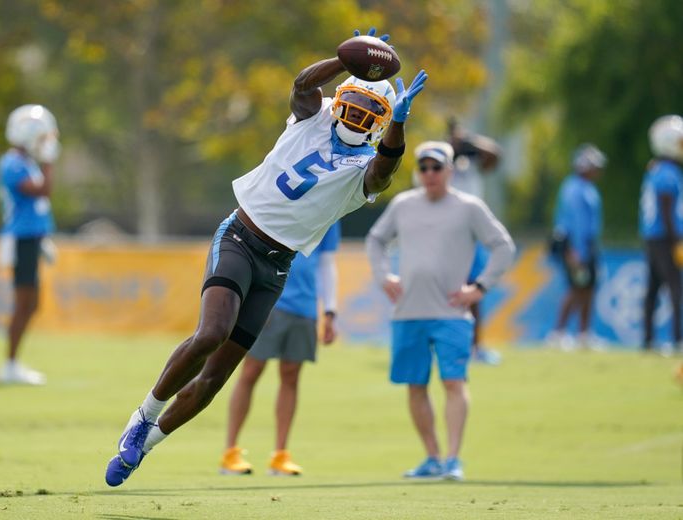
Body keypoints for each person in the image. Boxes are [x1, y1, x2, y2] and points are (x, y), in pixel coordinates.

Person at [104, 27, 429, 487]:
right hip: (240, 235)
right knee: (210, 333)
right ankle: (143, 415)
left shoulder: (364, 172)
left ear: (380, 122)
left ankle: (146, 445)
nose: (357, 116)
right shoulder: (310, 118)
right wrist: (345, 60)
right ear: (339, 101)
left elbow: (385, 170)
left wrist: (400, 121)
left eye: (370, 113)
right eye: (353, 104)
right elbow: (302, 85)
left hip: (277, 265)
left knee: (215, 379)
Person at [366, 141, 515, 481]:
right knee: (415, 385)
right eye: (424, 168)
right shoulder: (403, 205)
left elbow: (502, 246)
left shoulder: (469, 207)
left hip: (451, 312)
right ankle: (432, 457)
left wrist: (479, 288)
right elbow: (376, 239)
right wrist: (382, 275)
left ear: (449, 171)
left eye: (436, 167)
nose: (430, 174)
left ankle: (452, 459)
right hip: (408, 312)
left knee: (453, 382)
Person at [220, 222, 340, 477]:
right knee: (250, 371)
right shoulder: (285, 198)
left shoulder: (331, 212)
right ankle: (230, 452)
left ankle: (280, 455)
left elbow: (327, 262)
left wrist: (330, 309)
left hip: (305, 307)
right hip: (269, 299)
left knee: (291, 376)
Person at [0, 104, 60, 385]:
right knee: (24, 302)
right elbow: (42, 190)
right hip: (21, 238)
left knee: (32, 303)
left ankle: (12, 362)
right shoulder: (13, 163)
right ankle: (9, 364)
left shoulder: (26, 162)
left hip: (32, 238)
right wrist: (48, 161)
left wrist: (44, 237)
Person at [446, 118, 503, 365]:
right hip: (447, 234)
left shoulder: (471, 161)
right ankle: (447, 345)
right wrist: (451, 147)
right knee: (446, 292)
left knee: (474, 290)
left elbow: (495, 155)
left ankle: (475, 347)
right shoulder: (440, 163)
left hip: (471, 234)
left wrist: (469, 142)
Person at [546, 144, 607, 351]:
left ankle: (584, 333)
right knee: (575, 288)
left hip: (587, 246)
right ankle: (558, 332)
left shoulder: (586, 187)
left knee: (588, 288)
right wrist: (575, 251)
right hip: (575, 246)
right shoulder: (574, 188)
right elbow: (575, 224)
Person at [640, 115, 683, 355]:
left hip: (653, 238)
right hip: (665, 237)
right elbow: (667, 209)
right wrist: (676, 240)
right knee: (675, 288)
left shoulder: (656, 169)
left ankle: (648, 340)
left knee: (653, 289)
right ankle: (677, 339)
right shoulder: (667, 172)